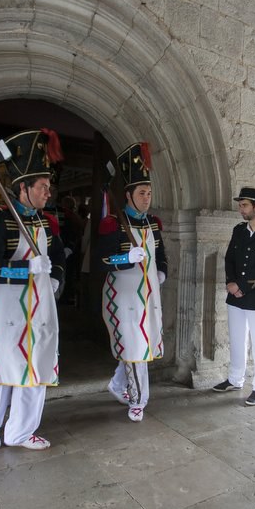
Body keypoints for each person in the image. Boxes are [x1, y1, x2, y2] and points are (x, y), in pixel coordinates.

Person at [0, 129, 65, 451]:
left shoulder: (47, 223)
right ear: (23, 187)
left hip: (40, 308)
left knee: (36, 365)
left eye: (49, 186)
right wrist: (25, 269)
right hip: (5, 309)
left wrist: (57, 278)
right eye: (42, 186)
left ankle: (21, 431)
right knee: (1, 366)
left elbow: (58, 258)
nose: (47, 192)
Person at [97, 142, 168, 422]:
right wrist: (125, 257)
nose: (146, 198)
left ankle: (117, 384)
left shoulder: (153, 223)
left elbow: (161, 253)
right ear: (128, 195)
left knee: (140, 343)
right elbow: (103, 260)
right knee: (135, 344)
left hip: (149, 294)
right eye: (141, 193)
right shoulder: (114, 223)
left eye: (149, 193)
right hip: (123, 295)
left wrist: (161, 270)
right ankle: (138, 400)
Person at [212, 187, 255, 405]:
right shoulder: (239, 230)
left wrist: (242, 286)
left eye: (244, 205)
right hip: (236, 294)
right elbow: (230, 258)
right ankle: (235, 379)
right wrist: (231, 283)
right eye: (240, 205)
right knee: (237, 338)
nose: (240, 209)